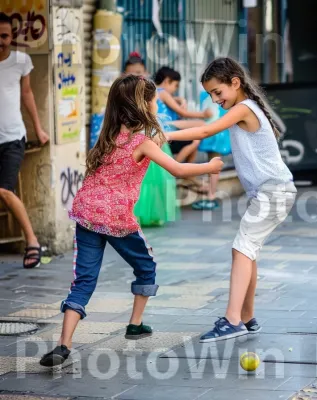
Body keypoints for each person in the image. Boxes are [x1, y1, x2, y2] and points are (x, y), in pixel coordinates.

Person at [39, 75, 223, 367]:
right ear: (146, 104)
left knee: (84, 280)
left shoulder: (108, 136)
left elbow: (174, 130)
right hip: (115, 218)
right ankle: (135, 324)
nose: (156, 104)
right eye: (154, 100)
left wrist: (203, 127)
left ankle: (64, 344)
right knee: (146, 265)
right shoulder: (144, 142)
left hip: (86, 213)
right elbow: (176, 169)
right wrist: (210, 166)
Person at [167, 57, 296, 342]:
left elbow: (204, 130)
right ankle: (247, 317)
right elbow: (201, 122)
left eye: (217, 92)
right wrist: (168, 127)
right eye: (211, 94)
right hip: (273, 191)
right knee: (248, 252)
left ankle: (232, 320)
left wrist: (164, 135)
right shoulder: (242, 108)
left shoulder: (244, 108)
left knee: (241, 249)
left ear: (235, 83)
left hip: (273, 191)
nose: (215, 100)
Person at [0, 13, 50, 269]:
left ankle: (32, 241)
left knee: (4, 190)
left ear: (12, 37)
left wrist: (39, 130)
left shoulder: (21, 60)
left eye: (5, 36)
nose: (1, 42)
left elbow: (27, 95)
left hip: (12, 138)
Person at [155, 67, 224, 211]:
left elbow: (177, 107)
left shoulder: (157, 94)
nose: (175, 90)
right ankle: (175, 168)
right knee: (198, 129)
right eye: (175, 86)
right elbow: (182, 112)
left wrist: (180, 99)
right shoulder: (162, 93)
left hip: (167, 129)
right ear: (167, 81)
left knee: (195, 139)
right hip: (165, 128)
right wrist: (203, 114)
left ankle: (183, 169)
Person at [123, 53, 180, 227]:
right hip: (137, 146)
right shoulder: (124, 95)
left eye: (139, 72)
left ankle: (152, 213)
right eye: (131, 73)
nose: (135, 76)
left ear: (146, 72)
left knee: (157, 181)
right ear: (124, 75)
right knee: (138, 181)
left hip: (154, 143)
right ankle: (135, 215)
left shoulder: (150, 92)